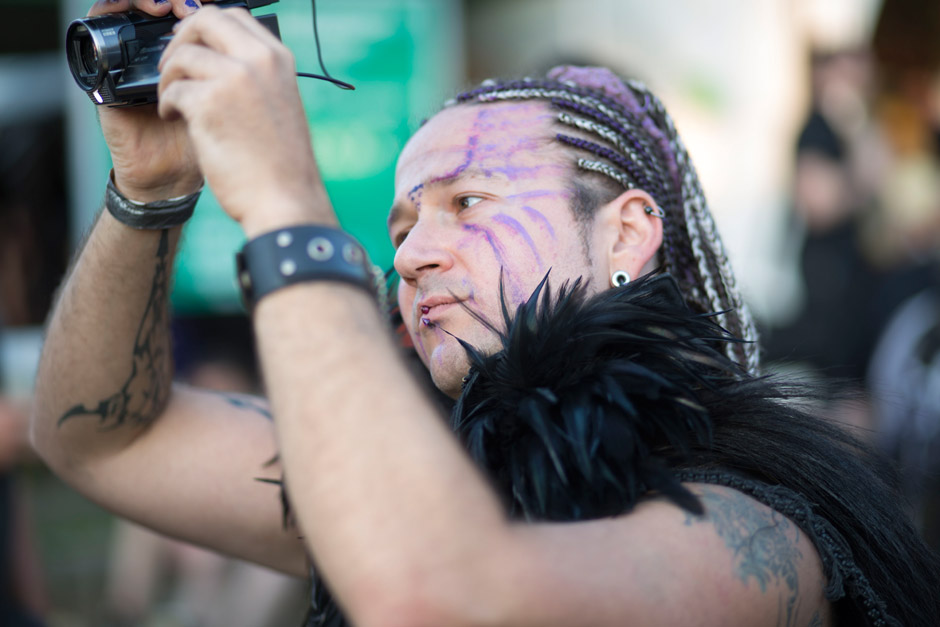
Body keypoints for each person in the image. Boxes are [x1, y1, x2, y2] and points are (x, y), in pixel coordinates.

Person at [31, 2, 940, 626]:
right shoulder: (408, 472)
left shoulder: (761, 519)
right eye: (402, 224)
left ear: (626, 234)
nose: (415, 253)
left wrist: (286, 206)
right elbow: (99, 438)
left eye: (469, 203)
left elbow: (441, 594)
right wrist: (146, 193)